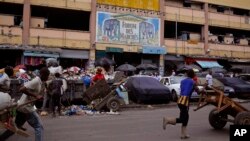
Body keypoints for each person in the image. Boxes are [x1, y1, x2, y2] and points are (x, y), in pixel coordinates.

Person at [0, 67, 50, 141]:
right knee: (39, 126)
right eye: (47, 75)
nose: (48, 77)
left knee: (15, 128)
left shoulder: (39, 82)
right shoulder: (36, 81)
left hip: (24, 107)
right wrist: (35, 95)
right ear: (42, 74)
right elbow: (22, 89)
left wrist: (36, 96)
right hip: (26, 108)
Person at [162, 69, 200, 139]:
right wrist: (203, 90)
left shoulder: (182, 81)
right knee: (183, 118)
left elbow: (183, 89)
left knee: (186, 117)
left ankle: (183, 134)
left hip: (180, 100)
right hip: (185, 102)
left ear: (187, 74)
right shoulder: (193, 82)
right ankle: (168, 120)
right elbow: (198, 91)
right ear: (193, 75)